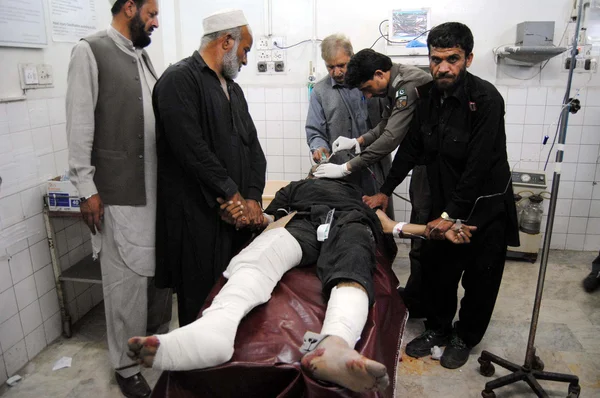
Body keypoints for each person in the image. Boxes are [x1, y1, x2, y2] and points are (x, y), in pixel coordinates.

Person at [127, 152, 474, 393]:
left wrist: (433, 230)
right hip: (301, 219)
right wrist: (248, 217)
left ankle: (334, 347)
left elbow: (391, 226)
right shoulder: (296, 187)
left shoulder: (360, 196)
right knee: (262, 253)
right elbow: (270, 218)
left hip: (351, 223)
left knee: (353, 261)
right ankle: (215, 329)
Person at [364, 22, 520, 370]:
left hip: (484, 208)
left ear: (468, 58)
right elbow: (411, 149)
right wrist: (384, 192)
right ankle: (437, 328)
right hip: (444, 201)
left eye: (453, 59)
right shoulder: (428, 99)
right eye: (436, 59)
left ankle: (464, 336)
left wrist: (450, 216)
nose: (443, 67)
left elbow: (478, 167)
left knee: (481, 278)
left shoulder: (487, 99)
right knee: (438, 272)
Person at [66, 0, 172, 396]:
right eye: (152, 13)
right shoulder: (90, 50)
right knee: (124, 281)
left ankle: (147, 346)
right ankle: (125, 368)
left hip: (151, 187)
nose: (157, 22)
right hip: (117, 191)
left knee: (150, 272)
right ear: (130, 7)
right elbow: (79, 123)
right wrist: (86, 188)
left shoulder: (141, 56)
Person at [152, 9, 267, 327]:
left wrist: (253, 198)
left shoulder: (233, 89)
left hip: (236, 221)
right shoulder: (179, 80)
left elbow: (254, 149)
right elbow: (192, 151)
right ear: (227, 41)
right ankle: (196, 375)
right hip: (197, 223)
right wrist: (231, 195)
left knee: (233, 300)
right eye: (244, 50)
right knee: (200, 305)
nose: (245, 60)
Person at [314, 48, 433, 317]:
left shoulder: (406, 85)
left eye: (367, 89)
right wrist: (357, 142)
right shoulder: (392, 83)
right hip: (422, 161)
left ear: (379, 74)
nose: (367, 96)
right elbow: (383, 125)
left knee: (425, 232)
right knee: (420, 226)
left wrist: (346, 167)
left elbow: (391, 137)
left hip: (433, 165)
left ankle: (424, 301)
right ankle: (416, 294)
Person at [305, 34, 389, 206]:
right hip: (339, 171)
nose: (336, 72)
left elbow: (388, 124)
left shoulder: (372, 82)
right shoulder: (320, 92)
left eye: (341, 65)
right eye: (330, 67)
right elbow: (315, 131)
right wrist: (319, 147)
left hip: (374, 168)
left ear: (352, 57)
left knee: (379, 220)